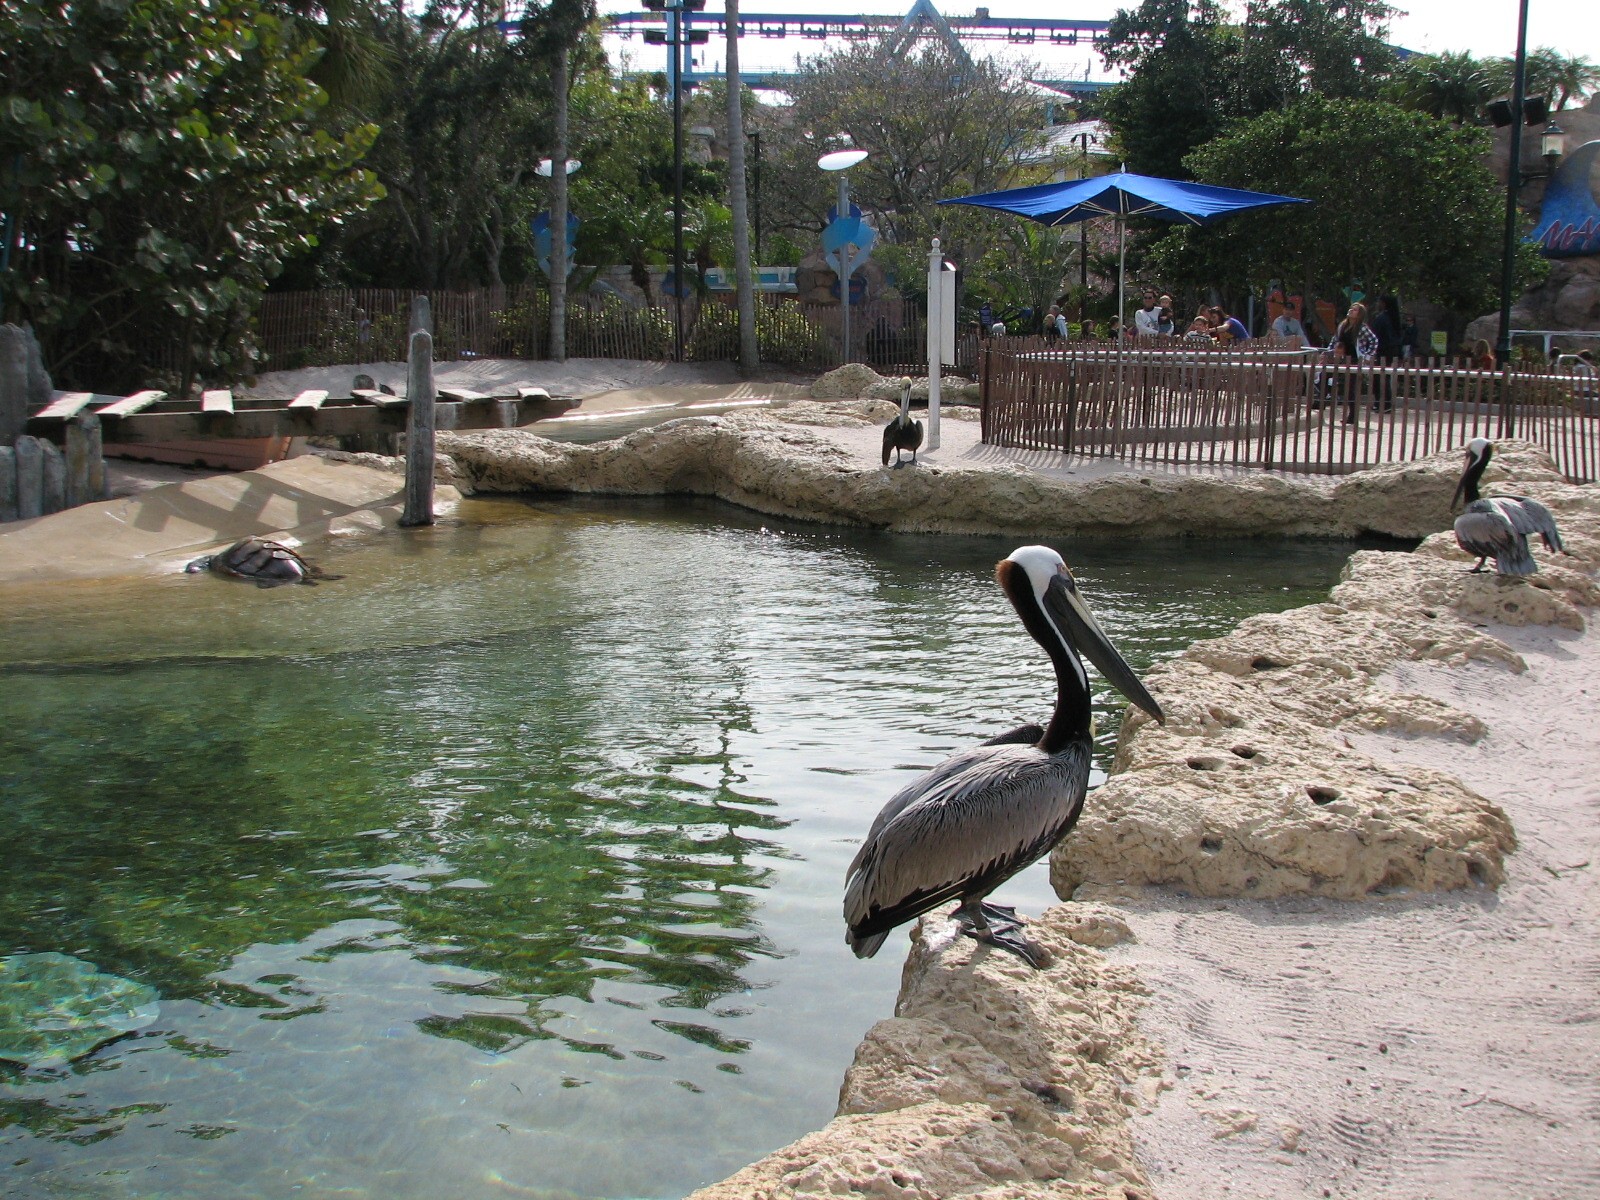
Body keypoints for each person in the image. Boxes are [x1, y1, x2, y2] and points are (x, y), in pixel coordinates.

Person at [1322, 302, 1378, 423]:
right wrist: (1328, 351)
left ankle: (1352, 416)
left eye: (1355, 309)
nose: (1351, 310)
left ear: (1360, 314)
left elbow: (1374, 340)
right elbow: (1335, 340)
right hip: (1339, 358)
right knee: (1324, 375)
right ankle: (1322, 399)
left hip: (1354, 359)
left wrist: (1368, 355)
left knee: (1350, 388)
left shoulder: (1362, 327)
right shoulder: (1343, 325)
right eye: (1351, 308)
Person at [1369, 295, 1402, 411]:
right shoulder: (1392, 318)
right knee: (1384, 376)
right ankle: (1383, 402)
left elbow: (1375, 335)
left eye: (1380, 302)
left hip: (1382, 350)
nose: (1378, 304)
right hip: (1390, 350)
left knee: (1379, 377)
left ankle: (1383, 402)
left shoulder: (1382, 318)